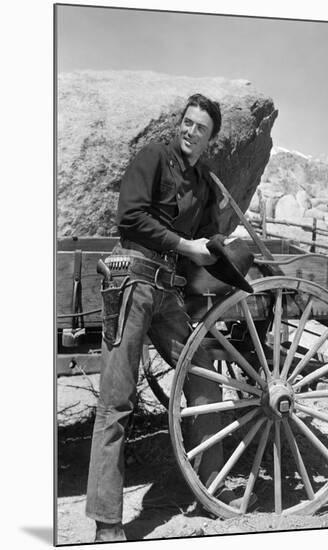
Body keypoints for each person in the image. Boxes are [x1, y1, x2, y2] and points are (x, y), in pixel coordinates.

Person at [86, 93, 233, 542]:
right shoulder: (153, 156)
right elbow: (129, 217)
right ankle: (107, 523)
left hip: (167, 290)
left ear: (210, 138)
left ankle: (211, 490)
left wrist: (221, 241)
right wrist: (184, 245)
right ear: (180, 123)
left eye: (200, 128)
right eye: (187, 123)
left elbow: (209, 237)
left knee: (205, 374)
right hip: (131, 278)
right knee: (117, 399)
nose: (190, 131)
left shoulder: (205, 182)